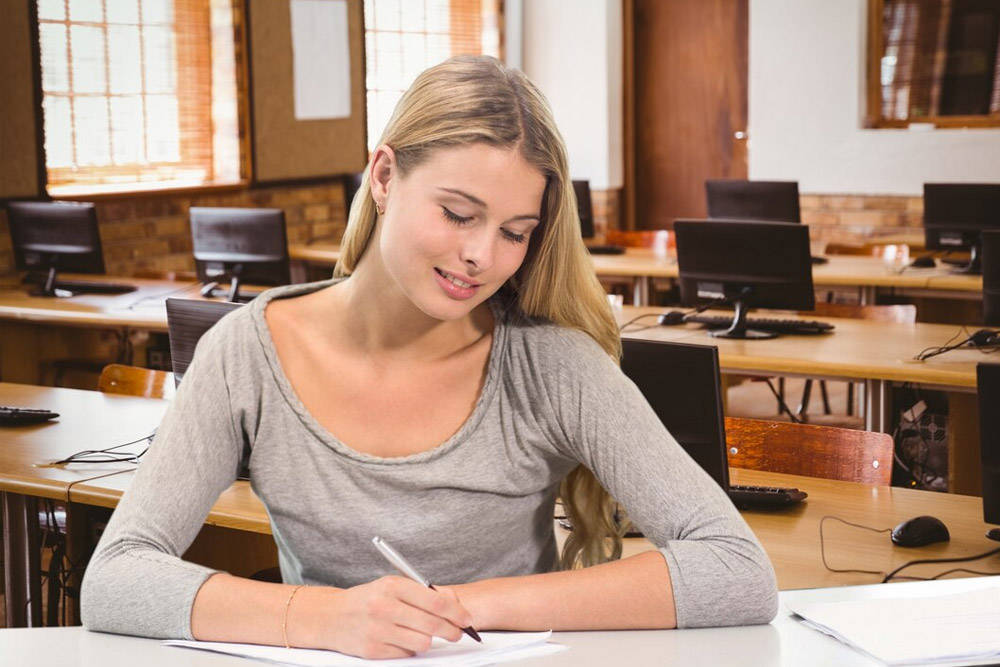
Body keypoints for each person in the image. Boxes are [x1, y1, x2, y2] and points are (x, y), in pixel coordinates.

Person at [81, 55, 777, 658]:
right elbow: (115, 577)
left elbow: (737, 569)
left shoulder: (553, 367)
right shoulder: (247, 353)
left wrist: (465, 607)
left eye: (514, 231)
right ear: (384, 177)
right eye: (458, 213)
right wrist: (329, 617)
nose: (481, 256)